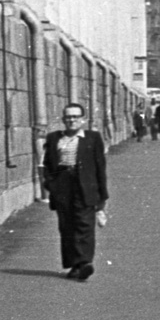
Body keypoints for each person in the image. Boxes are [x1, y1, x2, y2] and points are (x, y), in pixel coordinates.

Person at [41, 102, 108, 281]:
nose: (72, 120)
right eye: (68, 117)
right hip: (62, 185)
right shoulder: (54, 138)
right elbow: (47, 164)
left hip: (85, 185)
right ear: (63, 119)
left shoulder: (92, 138)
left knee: (84, 224)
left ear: (82, 119)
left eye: (75, 117)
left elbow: (100, 166)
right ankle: (75, 265)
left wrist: (102, 195)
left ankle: (84, 263)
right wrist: (51, 184)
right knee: (67, 226)